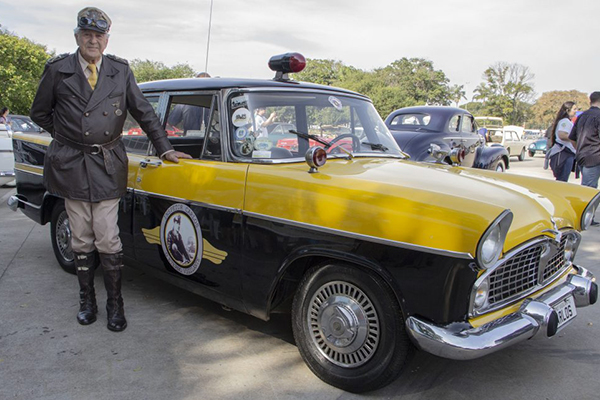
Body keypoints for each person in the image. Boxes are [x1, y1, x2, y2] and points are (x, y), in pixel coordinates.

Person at [29, 7, 191, 332]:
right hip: (72, 165)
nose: (92, 41)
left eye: (98, 36)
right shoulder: (58, 69)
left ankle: (115, 303)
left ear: (106, 40)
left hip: (106, 164)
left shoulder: (120, 70)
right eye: (86, 35)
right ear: (77, 37)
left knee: (107, 236)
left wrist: (165, 147)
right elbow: (39, 112)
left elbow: (143, 112)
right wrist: (66, 138)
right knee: (81, 237)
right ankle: (86, 300)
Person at [569, 92, 600, 217]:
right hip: (594, 156)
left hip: (582, 156)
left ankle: (586, 216)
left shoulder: (582, 116)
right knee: (589, 189)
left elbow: (572, 138)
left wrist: (580, 149)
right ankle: (584, 217)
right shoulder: (598, 116)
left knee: (587, 187)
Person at [545, 101, 578, 182]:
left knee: (562, 179)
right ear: (567, 110)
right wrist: (575, 138)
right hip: (564, 153)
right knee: (562, 179)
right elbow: (562, 135)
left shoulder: (566, 121)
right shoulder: (565, 122)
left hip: (566, 153)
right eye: (574, 109)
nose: (576, 111)